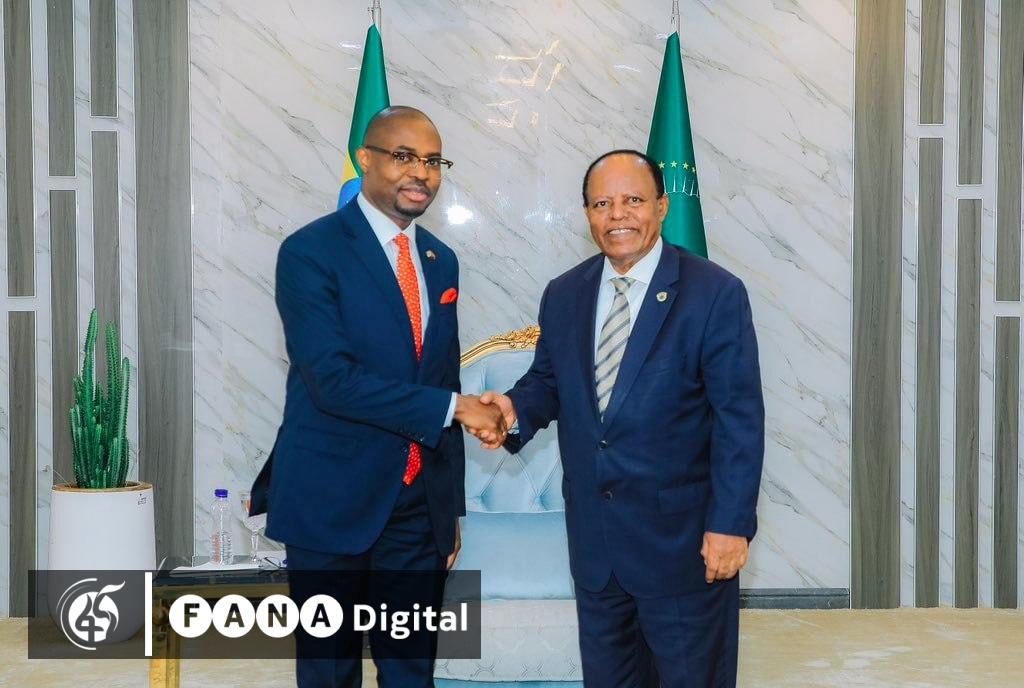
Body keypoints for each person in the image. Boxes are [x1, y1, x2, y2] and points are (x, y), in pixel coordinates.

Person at [475, 150, 765, 688]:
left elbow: (739, 420)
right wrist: (511, 411)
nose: (617, 215)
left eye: (633, 200)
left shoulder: (714, 292)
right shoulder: (565, 293)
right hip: (597, 547)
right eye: (601, 204)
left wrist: (730, 524)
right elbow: (549, 382)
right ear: (587, 213)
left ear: (662, 206)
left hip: (683, 547)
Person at [249, 106, 506, 688]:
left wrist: (446, 511)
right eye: (404, 156)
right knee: (330, 672)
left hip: (416, 507)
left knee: (412, 671)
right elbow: (331, 381)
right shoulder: (310, 251)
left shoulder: (440, 260)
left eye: (433, 161)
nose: (421, 173)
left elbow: (441, 377)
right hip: (330, 500)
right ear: (365, 159)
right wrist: (457, 409)